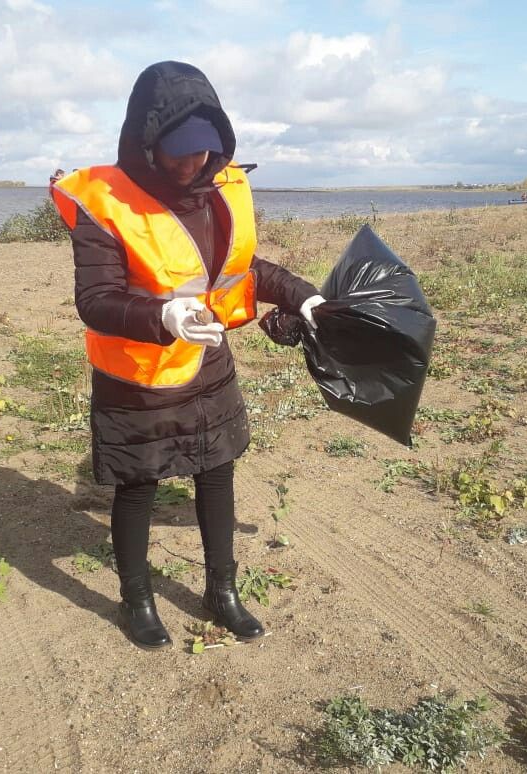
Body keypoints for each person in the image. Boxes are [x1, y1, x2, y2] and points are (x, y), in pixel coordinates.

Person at [49, 61, 325, 650]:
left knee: (217, 472)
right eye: (176, 152)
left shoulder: (223, 190)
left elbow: (245, 272)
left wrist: (308, 301)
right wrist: (164, 317)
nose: (190, 164)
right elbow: (95, 300)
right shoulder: (105, 202)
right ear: (146, 144)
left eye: (203, 151)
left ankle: (221, 592)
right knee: (138, 485)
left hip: (209, 366)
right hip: (139, 375)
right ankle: (137, 600)